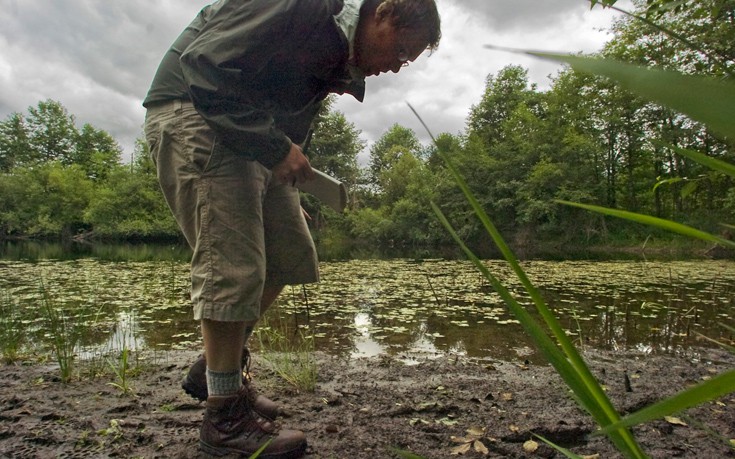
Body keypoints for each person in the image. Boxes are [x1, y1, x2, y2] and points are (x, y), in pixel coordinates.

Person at [143, 0, 441, 456]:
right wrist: (274, 148)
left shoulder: (337, 53)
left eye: (406, 60)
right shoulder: (306, 5)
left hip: (251, 129)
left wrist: (286, 178)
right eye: (401, 50)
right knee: (234, 267)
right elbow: (205, 67)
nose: (396, 67)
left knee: (290, 256)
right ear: (382, 12)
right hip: (197, 113)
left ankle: (216, 372)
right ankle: (223, 422)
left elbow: (291, 114)